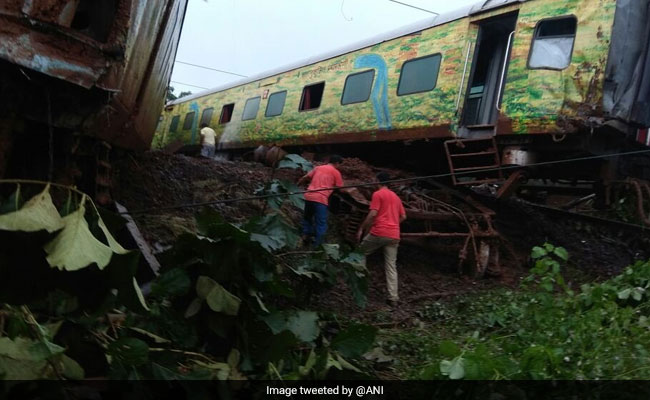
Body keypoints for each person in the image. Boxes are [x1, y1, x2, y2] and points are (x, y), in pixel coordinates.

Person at [356, 172, 406, 307]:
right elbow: (403, 216)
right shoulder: (396, 197)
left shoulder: (377, 194)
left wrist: (361, 229)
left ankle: (360, 289)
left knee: (360, 254)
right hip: (394, 235)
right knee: (391, 266)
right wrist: (393, 224)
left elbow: (373, 214)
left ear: (377, 181)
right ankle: (393, 298)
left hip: (379, 232)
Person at [298, 155, 344, 247]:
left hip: (309, 196)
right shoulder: (336, 172)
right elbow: (341, 188)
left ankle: (306, 236)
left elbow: (305, 177)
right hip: (321, 199)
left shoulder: (318, 168)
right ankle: (317, 246)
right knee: (321, 223)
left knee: (307, 217)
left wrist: (297, 184)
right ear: (337, 163)